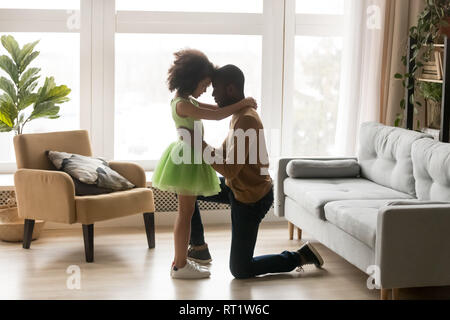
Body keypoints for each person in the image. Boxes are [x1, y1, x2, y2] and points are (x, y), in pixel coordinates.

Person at [186, 64, 324, 279]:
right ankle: (198, 247)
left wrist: (198, 143)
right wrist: (197, 152)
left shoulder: (247, 119)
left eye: (216, 89)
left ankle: (299, 256)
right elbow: (223, 152)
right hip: (236, 189)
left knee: (240, 269)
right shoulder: (237, 115)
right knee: (187, 188)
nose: (213, 94)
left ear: (230, 89)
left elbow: (230, 169)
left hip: (251, 199)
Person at [152, 50, 257, 279]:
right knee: (185, 213)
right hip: (188, 158)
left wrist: (240, 104)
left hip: (191, 156)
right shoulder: (182, 104)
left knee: (187, 213)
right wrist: (245, 102)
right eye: (205, 84)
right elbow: (218, 116)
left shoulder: (187, 100)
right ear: (194, 80)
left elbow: (218, 110)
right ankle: (180, 265)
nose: (207, 90)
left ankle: (181, 262)